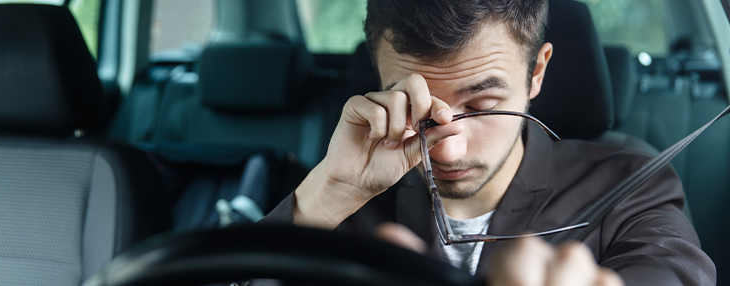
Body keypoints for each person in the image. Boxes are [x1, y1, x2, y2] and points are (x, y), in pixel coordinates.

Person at [261, 0, 716, 285]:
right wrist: (327, 196)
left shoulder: (630, 184)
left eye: (482, 107)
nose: (446, 150)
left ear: (536, 72)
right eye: (418, 109)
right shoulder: (337, 204)